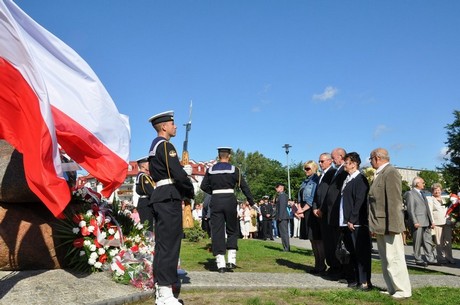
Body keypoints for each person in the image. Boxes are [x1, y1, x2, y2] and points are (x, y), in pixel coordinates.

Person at [147, 110, 195, 305]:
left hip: (161, 196)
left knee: (163, 244)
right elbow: (176, 172)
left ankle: (162, 289)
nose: (175, 126)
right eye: (172, 123)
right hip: (168, 196)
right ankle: (165, 295)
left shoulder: (154, 146)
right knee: (170, 244)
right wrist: (187, 181)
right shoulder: (166, 146)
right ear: (164, 126)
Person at [200, 147, 255, 273]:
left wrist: (214, 192)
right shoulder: (234, 169)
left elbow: (203, 186)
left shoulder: (210, 170)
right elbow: (244, 187)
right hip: (230, 199)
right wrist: (251, 201)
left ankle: (220, 264)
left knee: (217, 230)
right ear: (229, 156)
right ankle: (231, 260)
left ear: (218, 156)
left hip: (216, 200)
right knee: (232, 228)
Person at [368, 148, 411, 299]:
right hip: (380, 224)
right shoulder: (380, 173)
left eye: (370, 158)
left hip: (389, 225)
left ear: (377, 158)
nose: (370, 161)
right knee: (386, 258)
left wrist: (393, 227)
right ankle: (392, 287)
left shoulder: (390, 172)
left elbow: (394, 202)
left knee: (395, 258)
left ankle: (403, 290)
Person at [340, 152, 372, 290]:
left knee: (361, 253)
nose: (344, 165)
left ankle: (365, 281)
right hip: (348, 222)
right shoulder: (348, 179)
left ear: (354, 164)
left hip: (357, 222)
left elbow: (359, 201)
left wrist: (352, 218)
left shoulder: (360, 179)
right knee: (353, 253)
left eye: (346, 163)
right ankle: (358, 280)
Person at [322, 148, 348, 280]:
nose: (333, 160)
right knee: (332, 242)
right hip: (331, 212)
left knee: (339, 243)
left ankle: (342, 270)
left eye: (334, 157)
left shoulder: (344, 170)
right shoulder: (338, 170)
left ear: (341, 156)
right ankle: (336, 268)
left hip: (338, 212)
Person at [296, 161, 321, 273]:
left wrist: (303, 209)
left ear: (314, 168)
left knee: (317, 239)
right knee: (312, 240)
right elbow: (300, 197)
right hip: (305, 211)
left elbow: (312, 198)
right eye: (305, 169)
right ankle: (317, 264)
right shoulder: (305, 181)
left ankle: (321, 264)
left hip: (311, 211)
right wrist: (298, 209)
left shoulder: (315, 180)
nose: (306, 171)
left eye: (308, 168)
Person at [313, 153, 336, 275]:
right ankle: (327, 265)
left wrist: (322, 209)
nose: (320, 164)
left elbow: (329, 194)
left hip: (326, 212)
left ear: (330, 161)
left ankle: (333, 266)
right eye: (319, 161)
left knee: (330, 242)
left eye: (322, 161)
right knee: (325, 241)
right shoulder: (322, 175)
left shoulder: (332, 173)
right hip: (319, 212)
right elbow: (318, 194)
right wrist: (315, 208)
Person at [406, 177, 437, 266]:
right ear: (417, 184)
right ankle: (418, 259)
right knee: (417, 242)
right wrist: (415, 221)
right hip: (418, 222)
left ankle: (430, 259)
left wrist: (431, 221)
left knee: (427, 241)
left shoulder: (422, 193)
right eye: (422, 182)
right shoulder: (410, 194)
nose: (424, 184)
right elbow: (411, 209)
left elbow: (427, 209)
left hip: (426, 221)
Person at [427, 183, 449, 264]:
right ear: (432, 191)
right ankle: (441, 258)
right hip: (437, 223)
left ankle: (449, 257)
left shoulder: (445, 199)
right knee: (439, 242)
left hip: (447, 222)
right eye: (435, 190)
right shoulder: (430, 199)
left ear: (441, 190)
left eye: (439, 190)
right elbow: (429, 211)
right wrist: (432, 221)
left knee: (447, 241)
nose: (437, 191)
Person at [135, 157, 155, 231]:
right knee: (147, 225)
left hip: (144, 201)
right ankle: (147, 241)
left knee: (147, 224)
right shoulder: (143, 176)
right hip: (146, 202)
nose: (149, 165)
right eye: (148, 163)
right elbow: (150, 191)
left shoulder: (141, 175)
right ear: (143, 166)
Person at [275, 183, 290, 252]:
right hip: (281, 216)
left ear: (281, 188)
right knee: (282, 233)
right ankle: (285, 247)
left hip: (283, 217)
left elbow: (282, 207)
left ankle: (286, 248)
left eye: (277, 187)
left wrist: (280, 217)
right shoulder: (280, 196)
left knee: (284, 233)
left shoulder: (282, 196)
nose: (276, 189)